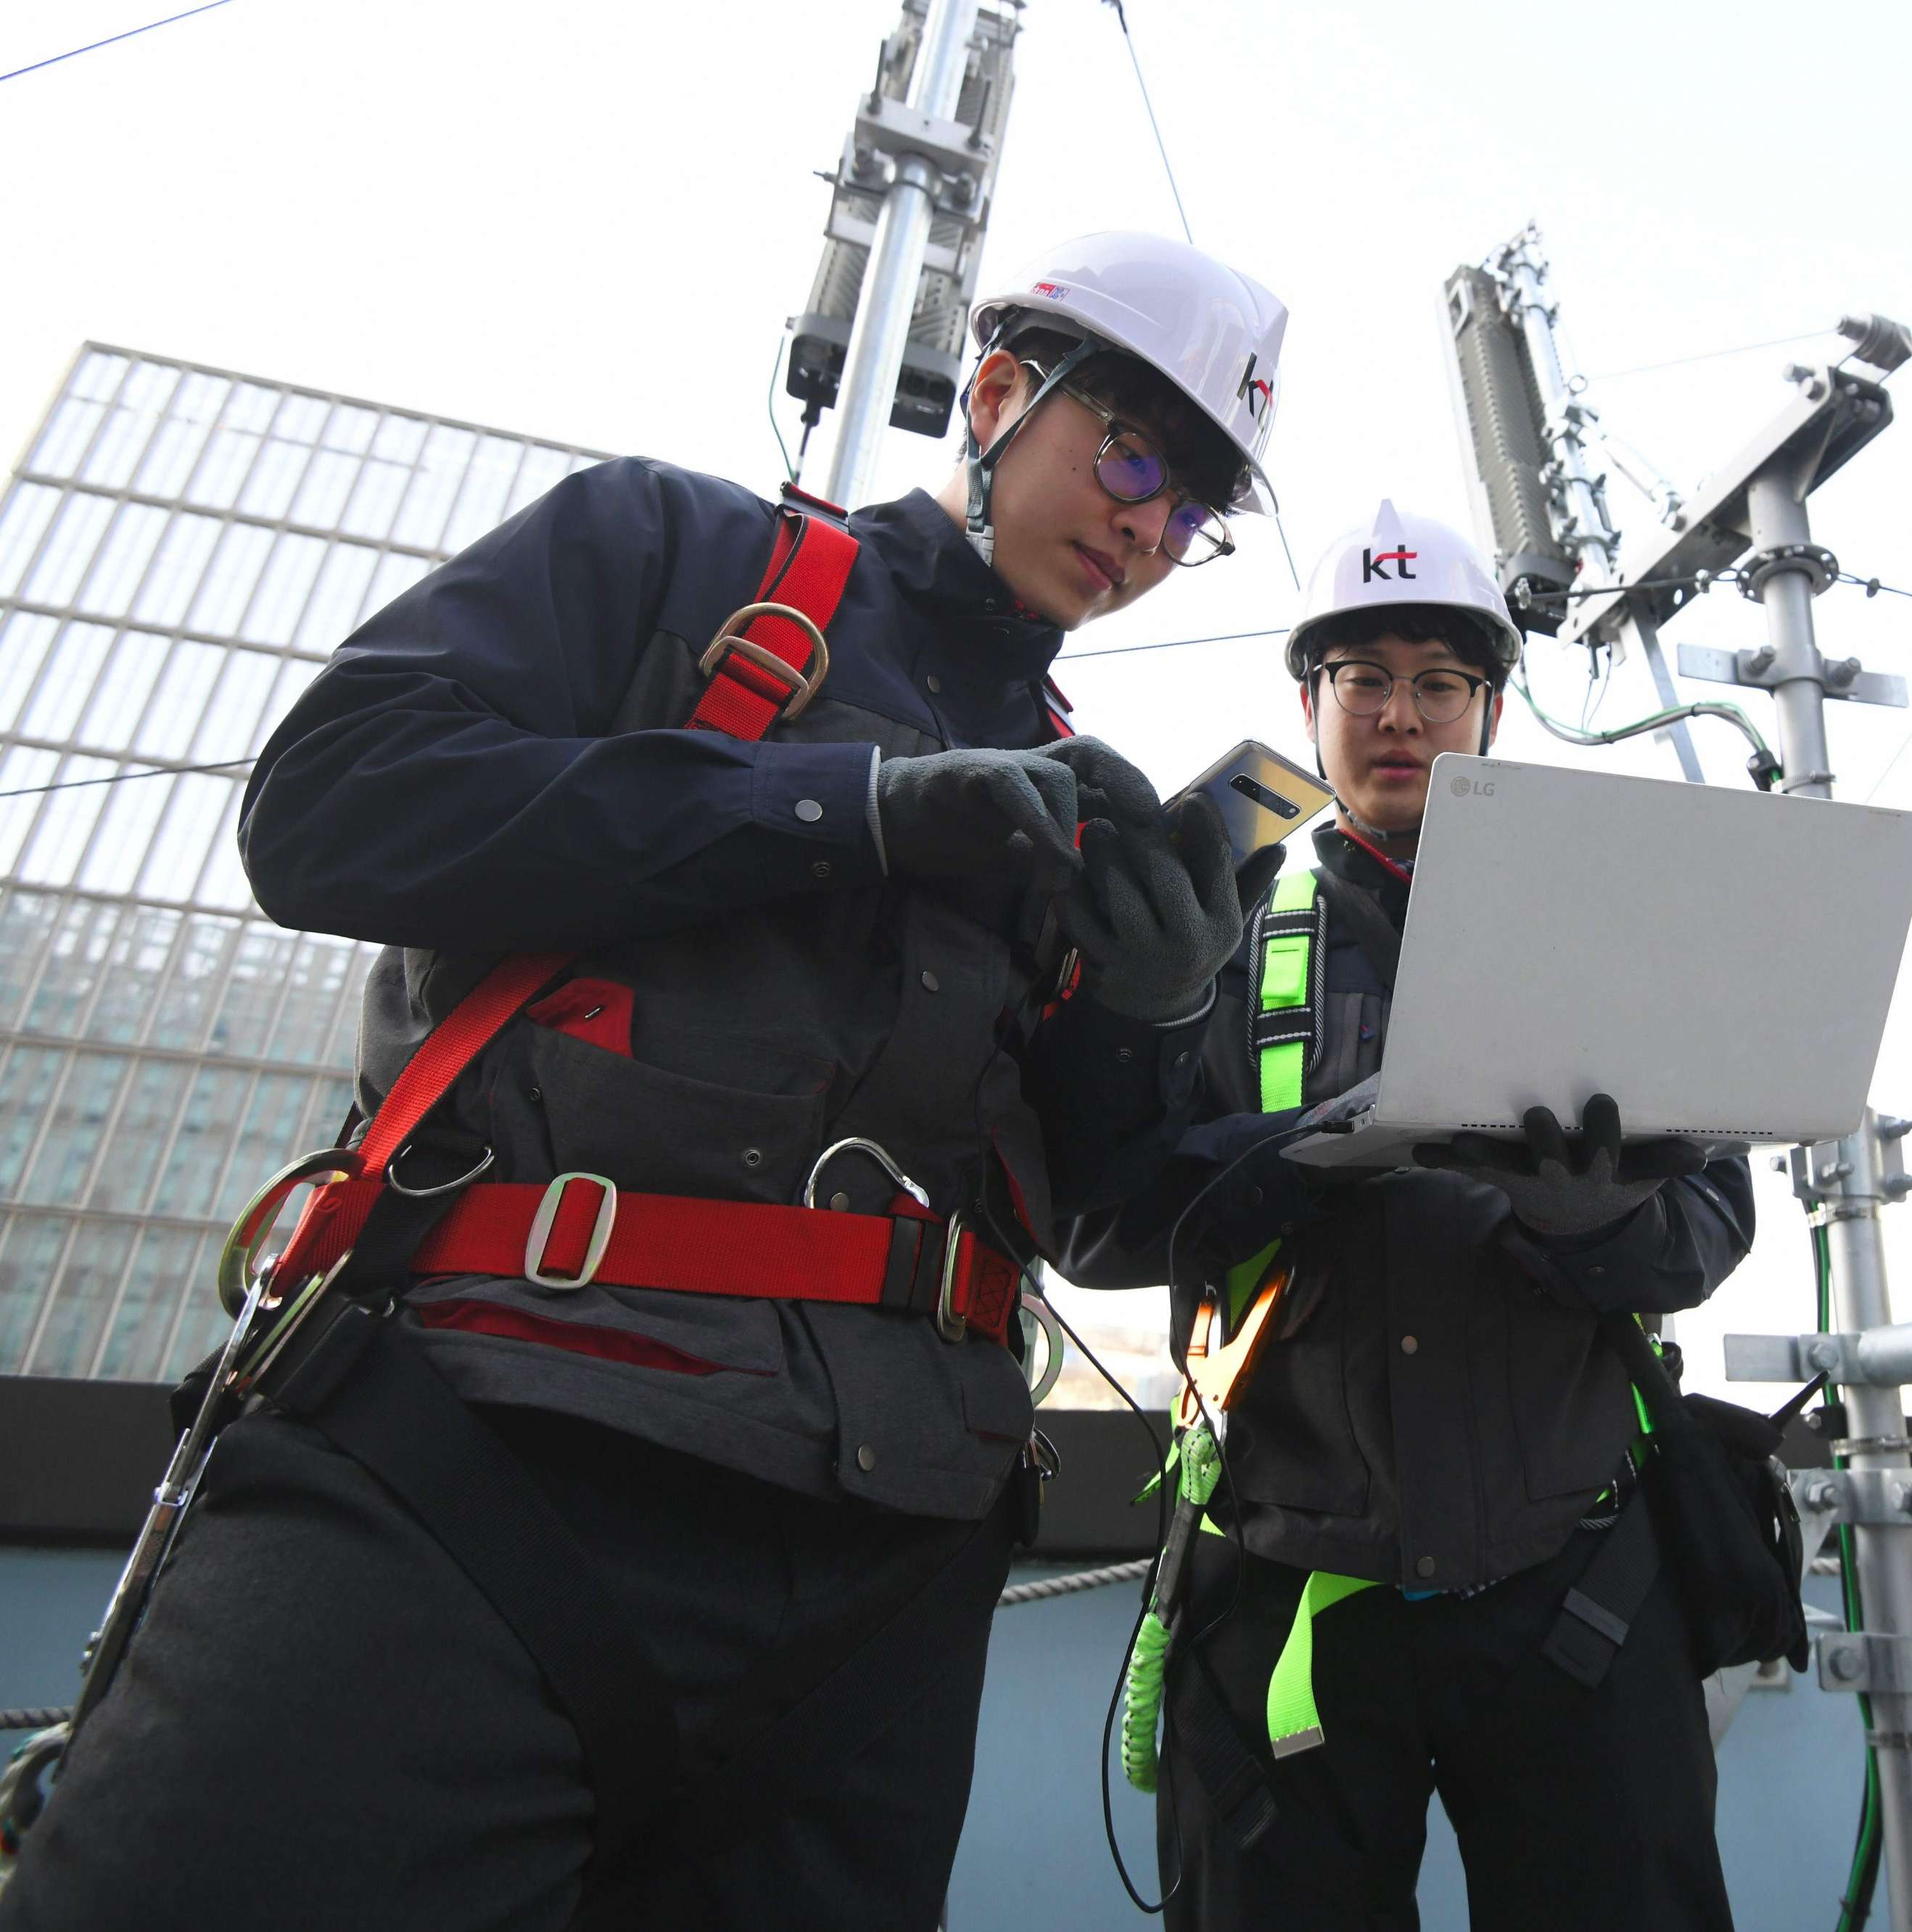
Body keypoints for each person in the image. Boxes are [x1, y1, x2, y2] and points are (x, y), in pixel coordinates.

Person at [0, 231, 1290, 1931]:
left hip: (887, 1584)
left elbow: (1101, 1221)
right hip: (483, 1461)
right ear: (994, 394)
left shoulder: (1077, 800)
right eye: (1131, 457)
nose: (1145, 528)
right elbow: (326, 805)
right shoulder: (677, 555)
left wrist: (1149, 1000)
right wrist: (848, 806)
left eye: (1189, 512)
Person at [1059, 503, 1757, 1931]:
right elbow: (1097, 1229)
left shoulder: (1611, 941)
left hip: (1575, 1587)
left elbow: (1707, 1228)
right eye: (1362, 678)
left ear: (1491, 707)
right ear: (1306, 706)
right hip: (1280, 1590)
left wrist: (1590, 1222)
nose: (1399, 714)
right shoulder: (1212, 939)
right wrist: (1277, 1156)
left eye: (1439, 681)